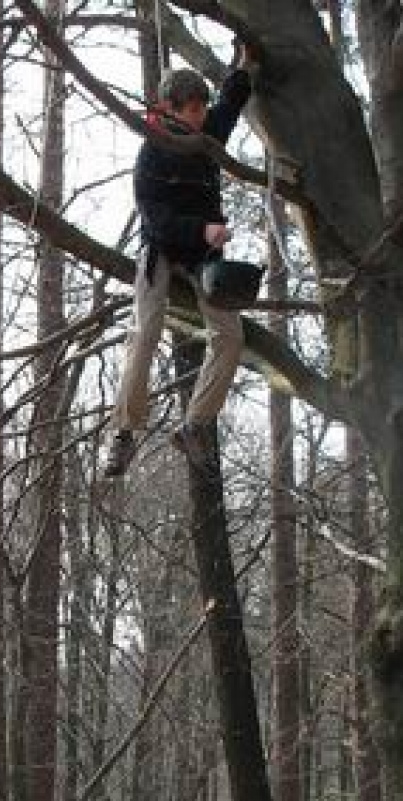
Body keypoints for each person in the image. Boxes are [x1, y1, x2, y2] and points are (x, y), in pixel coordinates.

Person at [103, 50, 255, 479]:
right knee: (145, 330)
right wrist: (202, 230)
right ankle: (124, 431)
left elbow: (230, 103)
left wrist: (243, 67)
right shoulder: (151, 155)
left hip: (203, 258)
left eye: (203, 108)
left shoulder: (208, 134)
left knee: (230, 336)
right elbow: (157, 220)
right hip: (162, 250)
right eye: (193, 109)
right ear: (168, 109)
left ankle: (194, 425)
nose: (202, 116)